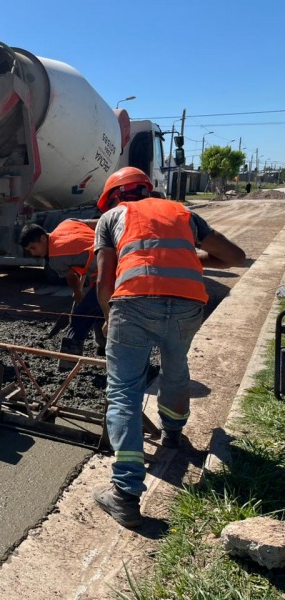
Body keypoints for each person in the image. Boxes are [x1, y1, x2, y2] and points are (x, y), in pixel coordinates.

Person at [91, 167, 246, 528]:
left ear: (114, 197)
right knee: (175, 372)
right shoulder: (183, 213)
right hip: (189, 306)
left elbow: (104, 277)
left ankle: (125, 493)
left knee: (124, 393)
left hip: (133, 305)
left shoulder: (112, 217)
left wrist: (107, 315)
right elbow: (235, 257)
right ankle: (173, 435)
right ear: (148, 190)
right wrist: (192, 260)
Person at [20, 220, 105, 362]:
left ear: (43, 238)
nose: (33, 253)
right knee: (98, 309)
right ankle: (104, 347)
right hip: (113, 259)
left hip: (107, 273)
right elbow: (92, 224)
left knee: (81, 316)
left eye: (33, 248)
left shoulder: (55, 257)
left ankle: (68, 359)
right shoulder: (65, 224)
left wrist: (78, 293)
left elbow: (71, 277)